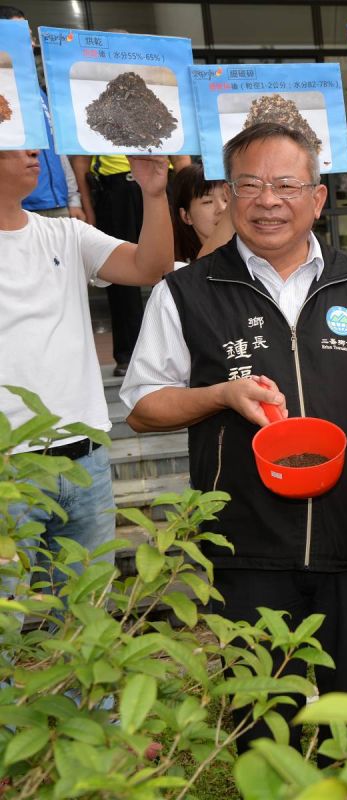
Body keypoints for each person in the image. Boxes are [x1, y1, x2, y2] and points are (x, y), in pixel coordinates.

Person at [121, 123, 347, 751]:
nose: (269, 201)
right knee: (266, 727)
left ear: (317, 199)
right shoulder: (186, 292)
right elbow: (142, 406)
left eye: (287, 185)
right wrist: (219, 394)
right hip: (247, 545)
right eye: (251, 185)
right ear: (230, 195)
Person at [0, 149, 173, 591]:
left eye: (32, 142)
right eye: (15, 143)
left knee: (85, 617)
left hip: (86, 460)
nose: (33, 152)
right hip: (10, 470)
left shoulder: (66, 234)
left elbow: (151, 267)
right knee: (7, 624)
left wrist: (154, 195)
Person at [72, 151, 192, 376]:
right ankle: (128, 354)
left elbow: (181, 157)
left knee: (174, 269)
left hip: (162, 179)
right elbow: (81, 160)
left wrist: (185, 199)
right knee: (120, 278)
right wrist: (89, 207)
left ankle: (185, 346)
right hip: (115, 186)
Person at [0, 6, 85, 222]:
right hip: (19, 207)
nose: (32, 43)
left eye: (30, 37)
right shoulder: (4, 90)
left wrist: (73, 199)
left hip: (58, 205)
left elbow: (58, 149)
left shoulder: (39, 91)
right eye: (22, 36)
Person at [170, 164, 226, 264]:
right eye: (208, 201)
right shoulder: (178, 269)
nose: (222, 208)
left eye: (226, 199)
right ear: (186, 216)